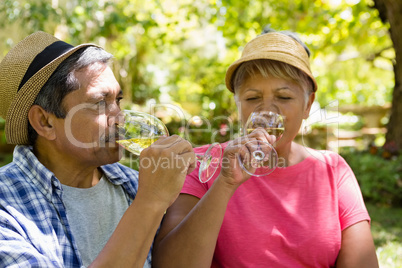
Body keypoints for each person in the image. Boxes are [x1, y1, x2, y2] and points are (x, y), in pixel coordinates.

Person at [153, 29, 379, 267]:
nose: (267, 110)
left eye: (284, 97)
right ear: (238, 104)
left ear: (307, 105)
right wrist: (225, 184)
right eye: (252, 98)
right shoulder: (201, 163)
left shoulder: (333, 170)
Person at [0, 31, 195, 267]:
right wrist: (150, 202)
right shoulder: (6, 207)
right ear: (45, 122)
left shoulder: (131, 183)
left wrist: (224, 184)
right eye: (100, 103)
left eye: (118, 101)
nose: (120, 118)